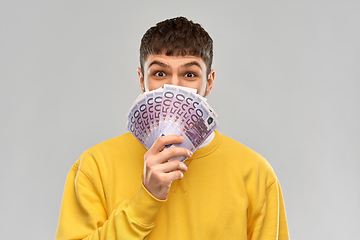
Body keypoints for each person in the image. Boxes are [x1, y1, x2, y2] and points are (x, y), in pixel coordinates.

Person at [55, 16, 289, 240]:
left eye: (189, 74)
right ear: (141, 80)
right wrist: (145, 200)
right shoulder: (94, 166)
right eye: (159, 73)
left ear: (209, 81)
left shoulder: (256, 174)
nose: (174, 86)